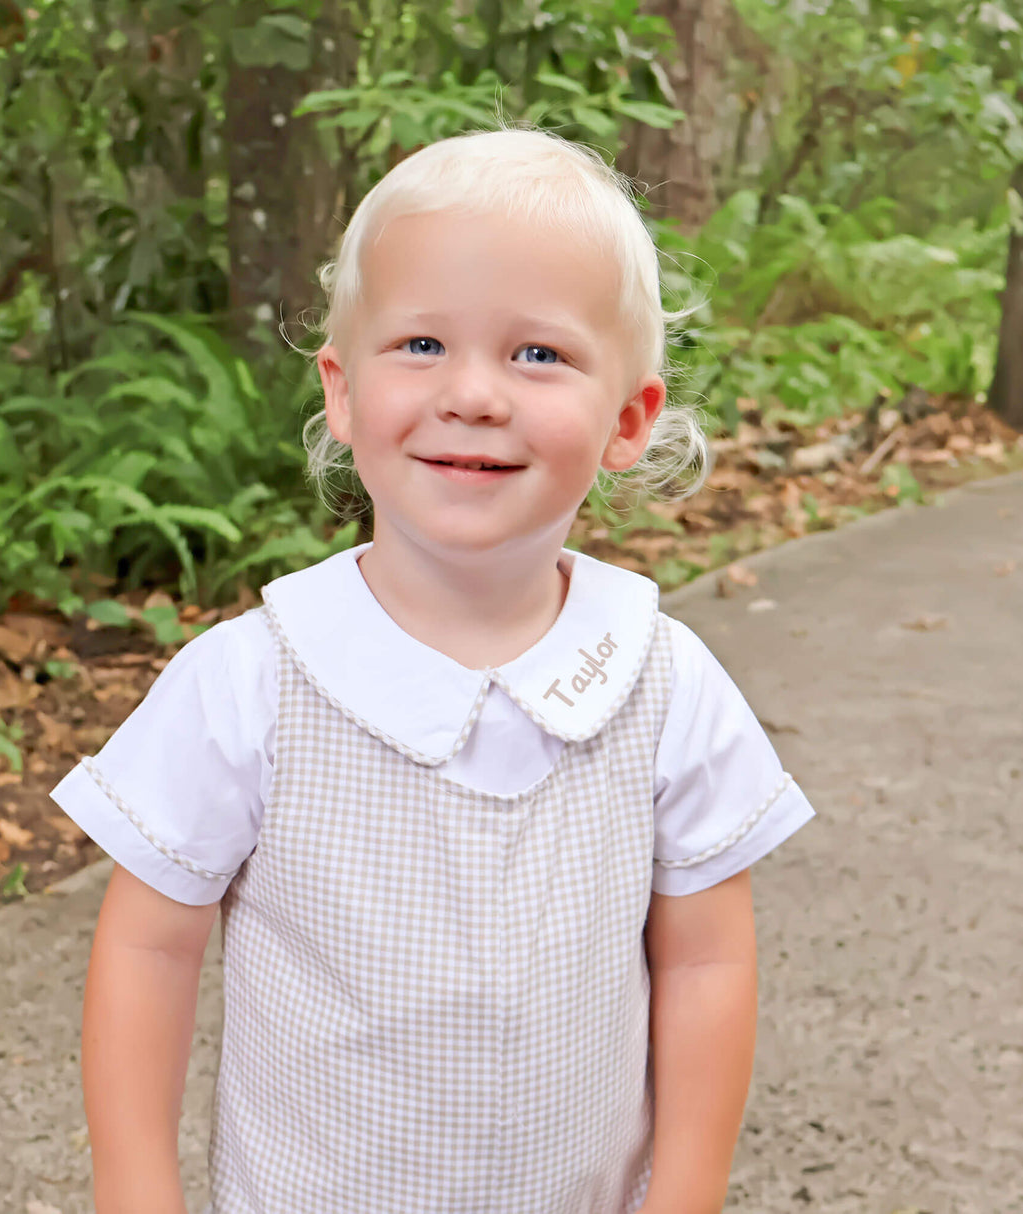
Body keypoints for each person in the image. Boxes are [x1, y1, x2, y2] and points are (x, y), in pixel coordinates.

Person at [51, 126, 814, 1214]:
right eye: (420, 343)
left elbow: (704, 963)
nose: (472, 394)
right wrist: (137, 1191)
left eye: (537, 354)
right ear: (341, 390)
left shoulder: (662, 682)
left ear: (628, 419)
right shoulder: (253, 682)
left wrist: (685, 1193)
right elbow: (147, 950)